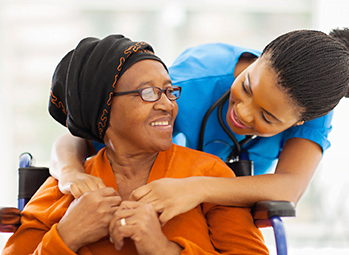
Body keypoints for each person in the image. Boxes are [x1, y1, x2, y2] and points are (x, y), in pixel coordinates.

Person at [49, 28, 349, 225]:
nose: (244, 114)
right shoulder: (189, 83)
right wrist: (71, 174)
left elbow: (289, 188)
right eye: (246, 87)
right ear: (259, 58)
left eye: (268, 117)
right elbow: (74, 138)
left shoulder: (311, 107)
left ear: (300, 121)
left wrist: (196, 187)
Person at [1, 35, 269, 255]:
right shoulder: (64, 188)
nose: (167, 104)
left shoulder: (208, 174)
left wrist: (163, 249)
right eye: (148, 93)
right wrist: (66, 236)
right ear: (103, 108)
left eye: (168, 90)